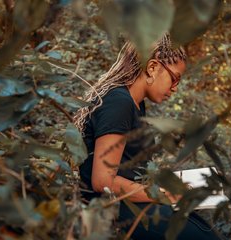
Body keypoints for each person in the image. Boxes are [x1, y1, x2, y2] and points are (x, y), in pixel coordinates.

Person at [73, 34, 221, 239]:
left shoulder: (134, 103)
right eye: (174, 78)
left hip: (128, 201)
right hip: (113, 208)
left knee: (203, 228)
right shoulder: (119, 103)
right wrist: (163, 194)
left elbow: (126, 166)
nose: (175, 87)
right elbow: (102, 181)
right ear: (152, 67)